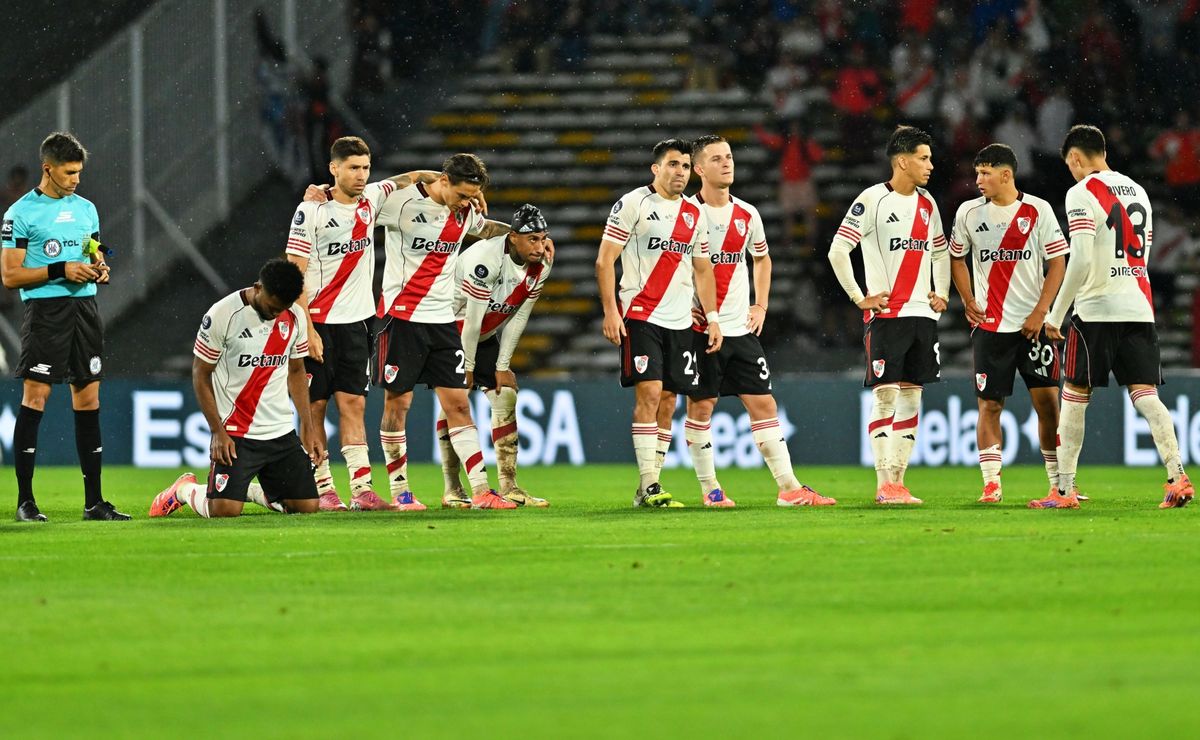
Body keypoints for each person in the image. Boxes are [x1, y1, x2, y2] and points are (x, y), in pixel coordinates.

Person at [1039, 125, 1194, 509]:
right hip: (1139, 307)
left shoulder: (1080, 192)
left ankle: (1064, 491)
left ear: (1075, 158)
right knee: (1147, 397)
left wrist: (1057, 313)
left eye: (1070, 165)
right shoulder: (1138, 190)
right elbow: (1144, 250)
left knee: (1075, 396)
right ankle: (1177, 476)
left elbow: (1083, 259)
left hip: (1096, 310)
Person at [286, 136, 441, 512]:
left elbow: (412, 177)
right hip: (318, 323)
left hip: (357, 323)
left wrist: (455, 182)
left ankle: (361, 489)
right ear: (333, 169)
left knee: (353, 405)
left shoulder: (373, 198)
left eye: (365, 168)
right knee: (316, 409)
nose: (360, 175)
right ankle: (322, 486)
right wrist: (306, 329)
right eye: (352, 168)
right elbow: (294, 274)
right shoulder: (310, 212)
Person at [683, 134, 834, 508]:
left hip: (740, 328)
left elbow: (762, 259)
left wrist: (761, 305)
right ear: (699, 169)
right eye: (716, 159)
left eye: (729, 156)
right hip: (700, 330)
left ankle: (789, 488)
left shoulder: (747, 214)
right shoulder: (685, 214)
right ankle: (710, 489)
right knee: (701, 408)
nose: (726, 163)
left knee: (764, 404)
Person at [372, 153, 516, 510]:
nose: (468, 203)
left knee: (458, 403)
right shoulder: (399, 203)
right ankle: (400, 490)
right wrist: (321, 194)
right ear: (444, 181)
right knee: (398, 402)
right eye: (463, 195)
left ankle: (482, 490)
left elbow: (485, 230)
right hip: (401, 316)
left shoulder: (464, 212)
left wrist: (517, 236)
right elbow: (355, 203)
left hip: (441, 320)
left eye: (473, 196)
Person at [1, 132, 126, 522]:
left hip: (85, 311)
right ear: (48, 169)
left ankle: (94, 503)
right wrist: (61, 269)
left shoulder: (87, 209)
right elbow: (9, 275)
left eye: (79, 173)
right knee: (35, 397)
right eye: (69, 172)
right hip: (45, 312)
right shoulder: (19, 214)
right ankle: (25, 501)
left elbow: (96, 248)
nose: (75, 179)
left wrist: (102, 266)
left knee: (88, 399)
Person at [596, 138, 723, 508]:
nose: (680, 172)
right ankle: (650, 484)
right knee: (649, 393)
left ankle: (648, 486)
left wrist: (712, 317)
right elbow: (606, 260)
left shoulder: (694, 214)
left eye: (685, 166)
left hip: (681, 321)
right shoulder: (634, 203)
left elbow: (703, 269)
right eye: (672, 165)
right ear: (656, 169)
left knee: (669, 401)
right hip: (641, 315)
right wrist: (610, 310)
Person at [827, 125, 950, 505]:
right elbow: (837, 251)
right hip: (888, 315)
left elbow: (941, 252)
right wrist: (859, 297)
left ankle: (898, 480)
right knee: (885, 398)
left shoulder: (928, 204)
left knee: (912, 398)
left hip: (922, 317)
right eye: (923, 158)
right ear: (902, 161)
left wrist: (942, 293)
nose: (930, 165)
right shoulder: (871, 200)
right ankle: (883, 484)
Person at [149, 259, 322, 518]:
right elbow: (200, 374)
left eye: (282, 309)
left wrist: (307, 425)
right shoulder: (223, 314)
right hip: (236, 433)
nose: (276, 314)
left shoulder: (294, 316)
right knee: (223, 512)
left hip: (280, 432)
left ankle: (247, 491)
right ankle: (184, 490)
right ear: (258, 287)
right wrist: (217, 431)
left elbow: (296, 370)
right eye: (272, 307)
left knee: (307, 507)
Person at [949, 143, 1069, 503]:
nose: (978, 180)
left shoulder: (1038, 210)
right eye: (977, 172)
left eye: (985, 172)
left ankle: (1059, 482)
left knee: (1048, 404)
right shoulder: (968, 213)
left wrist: (1041, 313)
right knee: (989, 406)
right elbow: (957, 258)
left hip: (1032, 328)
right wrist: (968, 299)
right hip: (990, 328)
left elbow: (1058, 262)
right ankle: (991, 484)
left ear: (1006, 174)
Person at [438, 204, 553, 508]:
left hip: (484, 331)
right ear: (513, 237)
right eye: (533, 240)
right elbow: (472, 319)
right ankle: (453, 488)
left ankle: (510, 485)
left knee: (506, 396)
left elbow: (519, 314)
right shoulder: (484, 260)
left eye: (544, 239)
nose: (540, 247)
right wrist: (469, 365)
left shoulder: (543, 262)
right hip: (450, 329)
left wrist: (503, 365)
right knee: (455, 401)